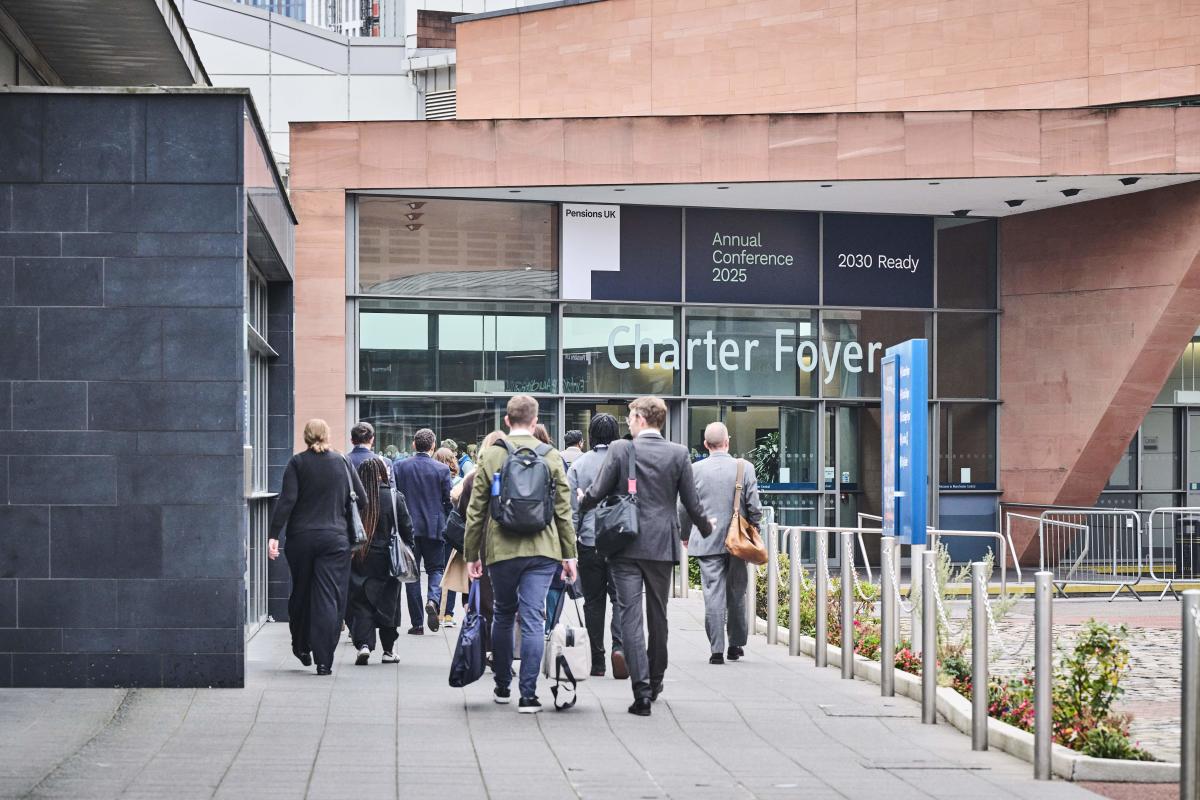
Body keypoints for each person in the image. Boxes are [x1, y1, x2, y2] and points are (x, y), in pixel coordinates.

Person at [579, 396, 714, 717]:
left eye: (630, 417)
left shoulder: (620, 450)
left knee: (630, 615)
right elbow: (691, 504)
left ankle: (640, 691)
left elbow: (597, 492)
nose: (627, 422)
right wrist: (707, 528)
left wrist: (583, 501)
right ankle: (656, 681)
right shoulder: (679, 454)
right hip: (661, 545)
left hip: (625, 544)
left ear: (641, 418)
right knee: (658, 614)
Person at [464, 395, 577, 714]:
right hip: (543, 550)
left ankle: (502, 686)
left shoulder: (493, 455)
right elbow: (563, 511)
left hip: (501, 549)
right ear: (535, 420)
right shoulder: (551, 456)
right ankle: (528, 695)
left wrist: (472, 554)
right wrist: (569, 556)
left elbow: (476, 510)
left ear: (506, 420)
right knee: (533, 618)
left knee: (502, 613)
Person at [268, 419, 367, 675]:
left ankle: (301, 646)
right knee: (328, 597)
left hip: (301, 539)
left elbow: (287, 500)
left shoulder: (297, 463)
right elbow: (362, 499)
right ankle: (324, 660)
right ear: (327, 435)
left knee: (301, 591)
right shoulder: (343, 462)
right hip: (335, 539)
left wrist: (273, 534)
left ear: (306, 436)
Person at [685, 421, 762, 664]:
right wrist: (754, 527)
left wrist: (685, 534)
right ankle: (735, 645)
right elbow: (754, 505)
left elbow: (684, 506)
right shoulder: (744, 468)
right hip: (738, 540)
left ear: (705, 444)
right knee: (737, 592)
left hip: (707, 539)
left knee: (713, 594)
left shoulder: (694, 470)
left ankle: (716, 649)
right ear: (727, 442)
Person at [567, 413, 626, 679]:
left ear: (590, 436)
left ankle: (597, 660)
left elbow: (572, 510)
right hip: (621, 542)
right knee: (621, 600)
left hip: (590, 542)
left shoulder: (579, 465)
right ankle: (619, 648)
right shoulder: (627, 463)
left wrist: (573, 541)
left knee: (593, 601)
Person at [349, 456, 414, 665]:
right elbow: (407, 528)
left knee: (361, 601)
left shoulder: (355, 499)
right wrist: (409, 547)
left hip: (361, 555)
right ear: (383, 474)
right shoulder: (394, 497)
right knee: (389, 602)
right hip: (388, 557)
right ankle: (388, 650)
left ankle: (364, 644)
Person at [393, 427, 453, 635]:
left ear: (413, 444)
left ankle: (417, 624)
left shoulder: (400, 467)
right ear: (433, 446)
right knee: (436, 569)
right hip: (434, 527)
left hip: (408, 528)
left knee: (412, 574)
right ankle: (433, 600)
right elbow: (448, 501)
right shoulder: (442, 469)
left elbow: (396, 497)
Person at [434, 446, 463, 627]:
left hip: (434, 530)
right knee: (449, 571)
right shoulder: (459, 482)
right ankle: (448, 614)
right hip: (452, 531)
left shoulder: (432, 478)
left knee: (436, 571)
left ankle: (435, 604)